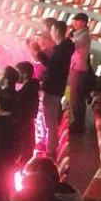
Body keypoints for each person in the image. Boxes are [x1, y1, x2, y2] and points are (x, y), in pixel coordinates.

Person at [28, 20, 74, 157]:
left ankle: (51, 150)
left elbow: (52, 66)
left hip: (54, 89)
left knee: (50, 121)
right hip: (54, 87)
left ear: (57, 31)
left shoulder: (63, 49)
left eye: (52, 31)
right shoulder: (64, 47)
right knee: (49, 120)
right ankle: (50, 146)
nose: (50, 34)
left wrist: (37, 52)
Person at [68, 13, 92, 134]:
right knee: (75, 98)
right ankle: (77, 123)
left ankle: (78, 125)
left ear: (84, 22)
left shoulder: (84, 36)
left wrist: (66, 35)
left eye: (77, 21)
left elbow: (73, 46)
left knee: (77, 98)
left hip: (79, 69)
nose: (74, 23)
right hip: (76, 68)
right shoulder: (79, 35)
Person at [14, 61, 40, 160]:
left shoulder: (28, 88)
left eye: (17, 72)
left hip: (25, 124)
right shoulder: (31, 86)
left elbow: (17, 98)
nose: (15, 75)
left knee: (25, 149)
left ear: (24, 74)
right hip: (28, 123)